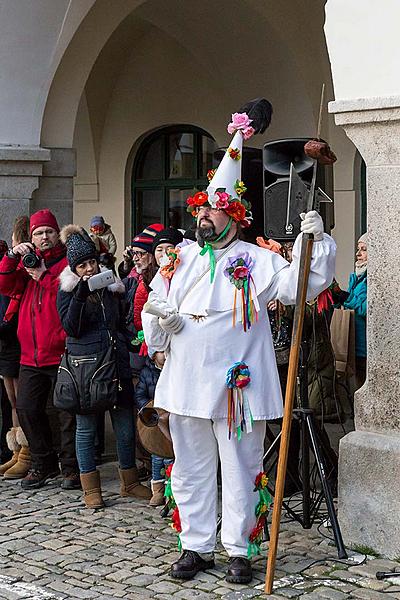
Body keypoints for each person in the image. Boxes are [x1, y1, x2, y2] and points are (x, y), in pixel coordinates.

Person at [142, 109, 336, 584]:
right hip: (187, 381)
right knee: (189, 466)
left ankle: (239, 549)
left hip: (237, 387)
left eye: (212, 208)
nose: (203, 215)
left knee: (242, 465)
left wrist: (318, 238)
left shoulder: (258, 259)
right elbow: (155, 306)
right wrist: (160, 324)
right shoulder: (180, 259)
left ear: (234, 214)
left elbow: (301, 285)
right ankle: (195, 545)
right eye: (201, 208)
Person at [56, 225, 151, 508]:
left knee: (124, 426)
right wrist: (80, 295)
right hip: (86, 369)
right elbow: (71, 327)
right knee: (86, 427)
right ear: (74, 268)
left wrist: (135, 342)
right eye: (82, 265)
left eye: (92, 262)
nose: (88, 269)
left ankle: (129, 482)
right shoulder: (67, 290)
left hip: (115, 363)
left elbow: (119, 322)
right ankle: (90, 488)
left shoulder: (110, 287)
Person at [0, 209, 79, 489]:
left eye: (48, 231)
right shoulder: (25, 262)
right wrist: (12, 257)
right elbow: (5, 285)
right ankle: (42, 461)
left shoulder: (68, 262)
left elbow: (66, 296)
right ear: (31, 238)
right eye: (38, 233)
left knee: (66, 414)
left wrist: (44, 275)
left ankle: (70, 468)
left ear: (57, 234)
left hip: (60, 352)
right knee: (26, 409)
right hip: (29, 354)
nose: (44, 237)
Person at [135, 227, 183, 505]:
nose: (165, 256)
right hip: (161, 364)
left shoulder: (189, 276)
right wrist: (155, 351)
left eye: (169, 249)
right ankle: (163, 486)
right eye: (159, 250)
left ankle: (181, 487)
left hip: (186, 363)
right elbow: (145, 319)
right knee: (162, 422)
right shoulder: (154, 283)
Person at [0, 217, 30, 477]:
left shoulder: (23, 265)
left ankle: (26, 452)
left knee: (21, 400)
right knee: (12, 399)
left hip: (17, 337)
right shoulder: (10, 261)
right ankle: (15, 451)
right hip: (7, 341)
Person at [342, 233, 367, 389]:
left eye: (364, 250)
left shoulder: (374, 278)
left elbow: (368, 308)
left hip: (365, 349)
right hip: (353, 345)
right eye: (358, 249)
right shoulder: (357, 277)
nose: (358, 254)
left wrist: (348, 302)